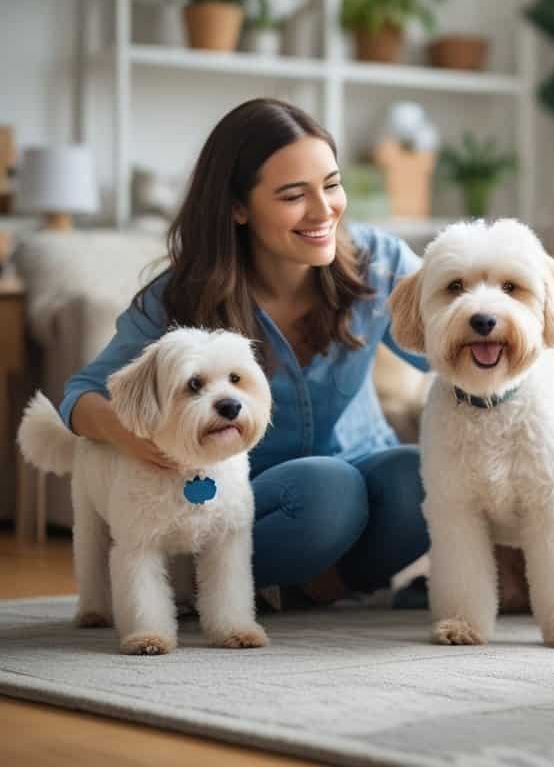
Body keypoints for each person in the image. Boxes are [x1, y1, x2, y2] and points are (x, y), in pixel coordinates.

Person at [61, 98, 430, 607]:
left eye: (331, 184)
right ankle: (241, 582)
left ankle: (317, 585)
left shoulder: (379, 262)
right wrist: (134, 438)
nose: (323, 210)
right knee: (328, 491)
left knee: (418, 475)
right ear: (238, 207)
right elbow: (81, 395)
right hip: (258, 500)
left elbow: (453, 349)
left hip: (364, 466)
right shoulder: (180, 296)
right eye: (293, 195)